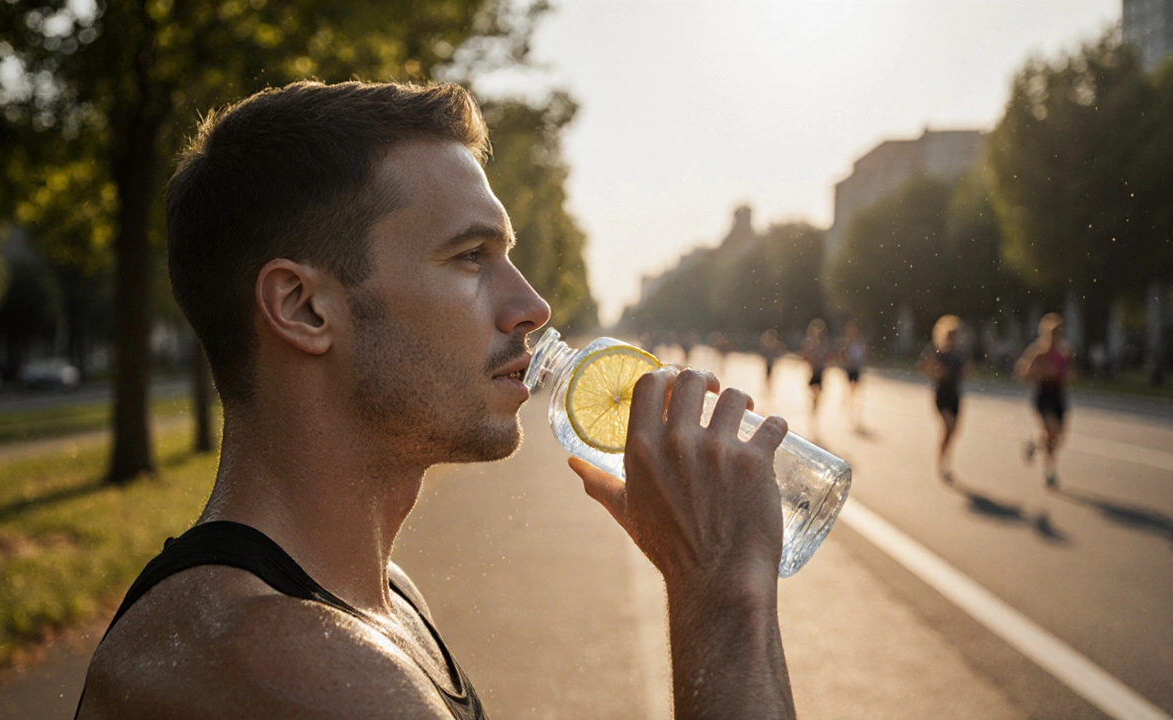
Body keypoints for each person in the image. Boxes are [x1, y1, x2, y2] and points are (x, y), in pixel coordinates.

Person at [75, 81, 795, 720]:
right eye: (470, 257)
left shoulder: (378, 599)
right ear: (302, 308)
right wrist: (723, 590)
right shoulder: (276, 657)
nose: (533, 305)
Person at [1015, 313, 1074, 488]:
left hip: (1058, 396)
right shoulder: (1039, 351)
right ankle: (1050, 471)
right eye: (1053, 333)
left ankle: (1034, 445)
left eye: (1059, 332)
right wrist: (1041, 373)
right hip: (1043, 396)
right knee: (1052, 430)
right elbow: (1022, 371)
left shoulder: (1065, 352)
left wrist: (1067, 376)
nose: (1057, 336)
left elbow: (1069, 374)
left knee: (1056, 437)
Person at [917, 315, 970, 481]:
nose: (953, 339)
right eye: (950, 335)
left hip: (955, 395)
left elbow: (966, 373)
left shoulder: (960, 354)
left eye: (955, 336)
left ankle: (945, 458)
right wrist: (936, 371)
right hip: (941, 394)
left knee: (953, 431)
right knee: (948, 426)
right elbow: (922, 367)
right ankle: (942, 463)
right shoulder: (936, 352)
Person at [838, 319, 868, 427]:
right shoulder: (847, 343)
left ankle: (852, 402)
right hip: (850, 368)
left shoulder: (860, 342)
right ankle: (847, 401)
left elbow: (865, 354)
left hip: (857, 368)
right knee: (849, 387)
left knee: (856, 389)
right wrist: (847, 363)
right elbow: (842, 355)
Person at [801, 319, 830, 426]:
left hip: (820, 372)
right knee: (813, 392)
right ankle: (813, 405)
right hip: (813, 372)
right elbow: (804, 356)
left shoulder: (824, 344)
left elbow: (828, 357)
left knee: (818, 394)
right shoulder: (810, 343)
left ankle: (815, 406)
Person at [759, 328, 784, 393]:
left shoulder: (773, 344)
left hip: (771, 362)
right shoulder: (768, 343)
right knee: (767, 374)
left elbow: (779, 352)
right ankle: (768, 386)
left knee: (769, 374)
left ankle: (769, 386)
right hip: (768, 362)